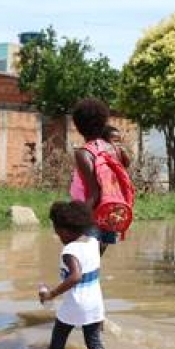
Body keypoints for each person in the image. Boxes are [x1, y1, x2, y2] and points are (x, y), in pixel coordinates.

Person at [39, 200, 109, 349]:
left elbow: (76, 276)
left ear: (66, 231)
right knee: (93, 343)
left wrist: (51, 294)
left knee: (57, 343)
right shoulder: (93, 242)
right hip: (95, 303)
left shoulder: (70, 251)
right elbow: (100, 249)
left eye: (58, 232)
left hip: (75, 304)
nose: (58, 236)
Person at [70, 97, 123, 254]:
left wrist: (77, 221)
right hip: (110, 215)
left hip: (91, 216)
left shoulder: (84, 153)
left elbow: (94, 192)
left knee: (84, 266)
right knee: (95, 262)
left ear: (78, 125)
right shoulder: (113, 149)